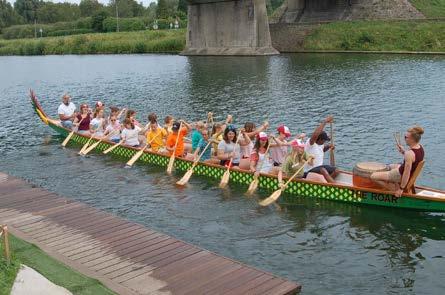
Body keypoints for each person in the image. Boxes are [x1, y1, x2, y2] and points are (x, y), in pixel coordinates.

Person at [371, 126, 425, 197]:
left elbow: (406, 173)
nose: (404, 139)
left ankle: (394, 190)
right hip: (405, 171)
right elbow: (413, 159)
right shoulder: (420, 147)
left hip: (400, 174)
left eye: (406, 137)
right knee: (389, 166)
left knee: (373, 176)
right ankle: (393, 182)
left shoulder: (409, 154)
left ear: (412, 139)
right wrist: (403, 151)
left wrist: (401, 189)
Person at [304, 115, 337, 183]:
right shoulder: (310, 143)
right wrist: (325, 121)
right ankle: (336, 186)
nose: (324, 142)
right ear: (319, 139)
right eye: (324, 140)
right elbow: (315, 134)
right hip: (308, 171)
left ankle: (328, 183)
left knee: (336, 170)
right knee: (323, 170)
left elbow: (321, 150)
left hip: (319, 167)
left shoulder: (320, 145)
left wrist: (329, 147)